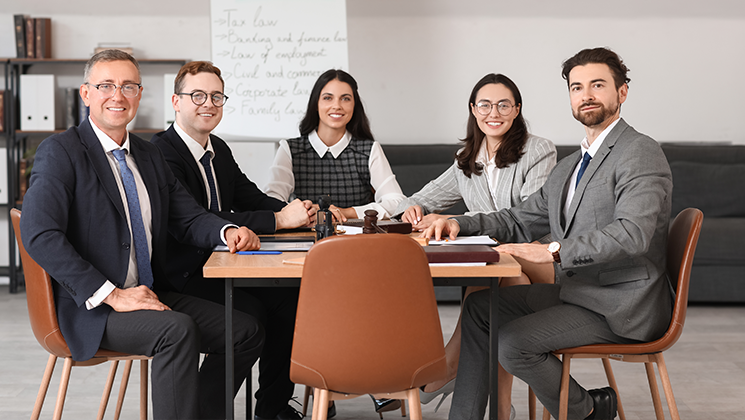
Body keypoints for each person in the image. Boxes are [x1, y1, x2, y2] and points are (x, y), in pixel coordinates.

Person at [425, 47, 674, 420]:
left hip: (620, 305)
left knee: (514, 343)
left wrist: (553, 252)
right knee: (480, 308)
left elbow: (632, 234)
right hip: (580, 293)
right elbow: (520, 218)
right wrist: (462, 223)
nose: (585, 95)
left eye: (597, 85)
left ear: (622, 92)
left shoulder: (639, 152)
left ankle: (586, 410)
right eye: (576, 87)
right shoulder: (571, 166)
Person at [20, 50, 265, 420]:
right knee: (176, 331)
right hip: (94, 305)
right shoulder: (61, 152)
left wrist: (227, 230)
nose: (117, 95)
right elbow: (38, 233)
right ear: (86, 93)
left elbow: (188, 217)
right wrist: (113, 295)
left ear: (140, 94)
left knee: (245, 330)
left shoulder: (149, 156)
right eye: (106, 85)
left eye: (128, 86)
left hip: (149, 292)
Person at [151, 61, 315, 420]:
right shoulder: (160, 153)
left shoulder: (218, 148)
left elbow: (250, 198)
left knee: (289, 299)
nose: (208, 103)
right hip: (182, 275)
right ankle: (205, 413)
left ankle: (271, 409)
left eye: (216, 96)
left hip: (224, 265)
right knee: (250, 317)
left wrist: (294, 214)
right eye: (197, 95)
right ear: (176, 102)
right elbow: (197, 217)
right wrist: (277, 219)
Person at [392, 74, 556, 417]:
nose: (493, 112)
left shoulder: (538, 150)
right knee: (502, 284)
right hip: (501, 266)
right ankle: (499, 407)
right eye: (484, 104)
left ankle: (447, 370)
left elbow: (530, 218)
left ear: (517, 110)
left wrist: (459, 220)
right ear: (473, 109)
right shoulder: (467, 157)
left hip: (537, 259)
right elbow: (419, 198)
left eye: (503, 104)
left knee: (503, 281)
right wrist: (414, 209)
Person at [265, 69, 406, 222]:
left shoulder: (370, 150)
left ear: (354, 105)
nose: (337, 106)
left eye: (345, 99)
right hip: (306, 239)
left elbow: (397, 202)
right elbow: (272, 200)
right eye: (328, 98)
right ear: (316, 104)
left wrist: (345, 212)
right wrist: (308, 213)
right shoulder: (290, 150)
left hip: (357, 240)